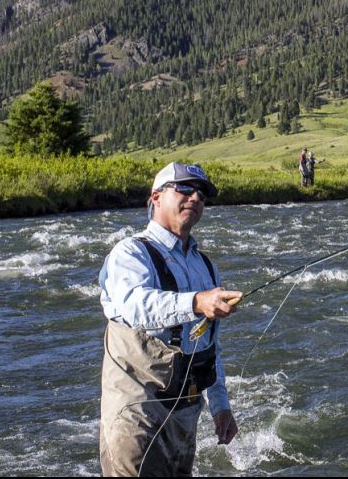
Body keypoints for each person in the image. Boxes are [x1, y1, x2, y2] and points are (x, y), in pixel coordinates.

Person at [99, 162, 241, 476]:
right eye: (185, 189)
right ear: (156, 197)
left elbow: (208, 343)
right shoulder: (130, 253)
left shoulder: (205, 264)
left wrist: (220, 405)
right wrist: (197, 301)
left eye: (202, 194)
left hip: (185, 411)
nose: (195, 198)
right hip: (135, 409)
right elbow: (134, 305)